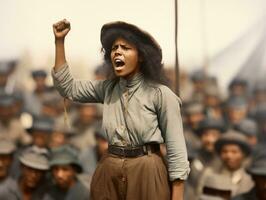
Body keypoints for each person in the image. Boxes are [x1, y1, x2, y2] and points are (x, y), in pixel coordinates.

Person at [51, 19, 190, 199]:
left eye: (125, 47)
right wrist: (59, 42)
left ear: (141, 56)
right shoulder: (108, 88)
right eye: (114, 48)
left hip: (147, 172)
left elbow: (176, 149)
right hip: (109, 171)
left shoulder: (160, 94)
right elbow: (68, 88)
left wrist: (177, 197)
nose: (117, 51)